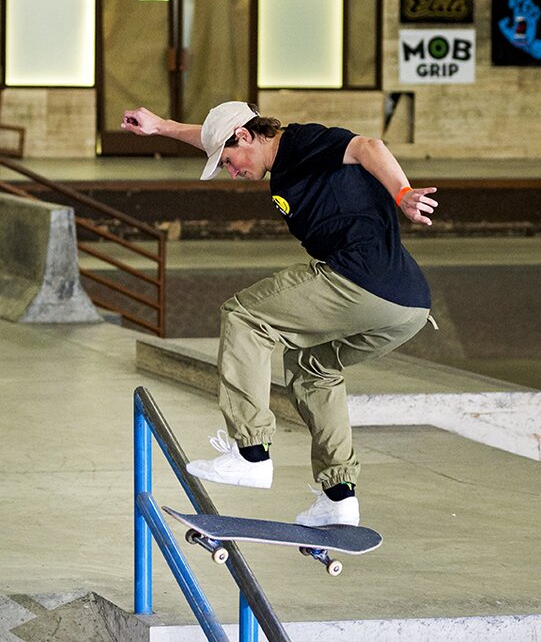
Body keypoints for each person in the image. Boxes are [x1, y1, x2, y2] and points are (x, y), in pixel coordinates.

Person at [120, 100, 438, 527]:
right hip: (407, 305)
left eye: (229, 161)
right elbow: (213, 134)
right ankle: (339, 497)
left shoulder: (301, 143)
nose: (231, 172)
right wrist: (161, 127)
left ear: (247, 136)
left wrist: (402, 193)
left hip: (358, 278)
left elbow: (369, 146)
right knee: (313, 368)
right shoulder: (264, 150)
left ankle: (250, 452)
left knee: (245, 316)